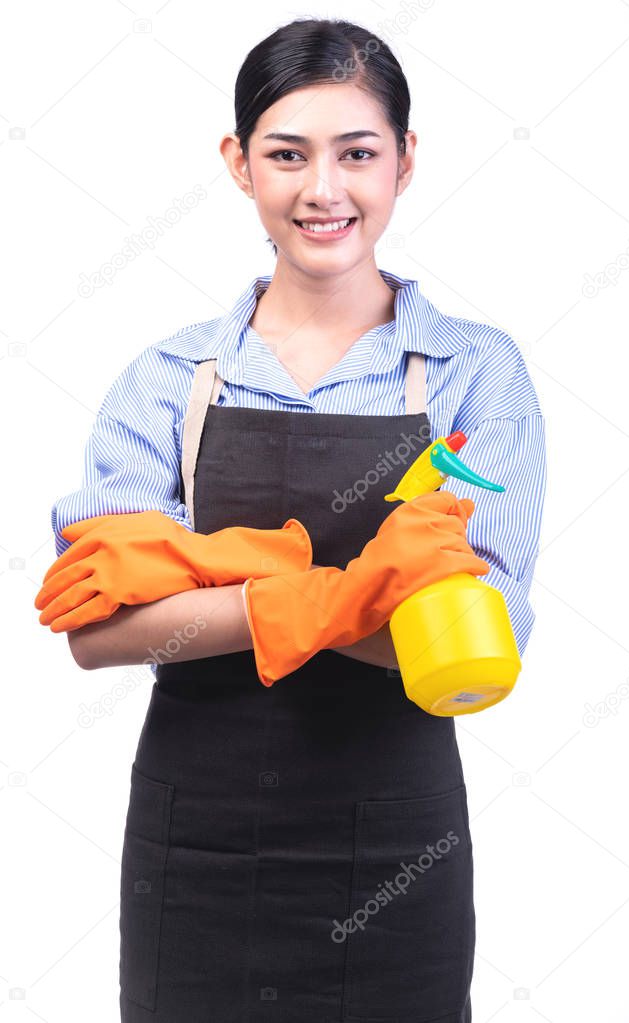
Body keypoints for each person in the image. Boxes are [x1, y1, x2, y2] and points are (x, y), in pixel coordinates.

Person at [35, 17, 546, 1023]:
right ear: (238, 164)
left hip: (395, 842)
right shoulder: (169, 380)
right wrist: (361, 590)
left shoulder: (472, 376)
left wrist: (213, 578)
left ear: (404, 160)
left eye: (357, 153)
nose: (323, 190)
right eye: (286, 154)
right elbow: (99, 633)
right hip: (198, 846)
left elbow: (473, 644)